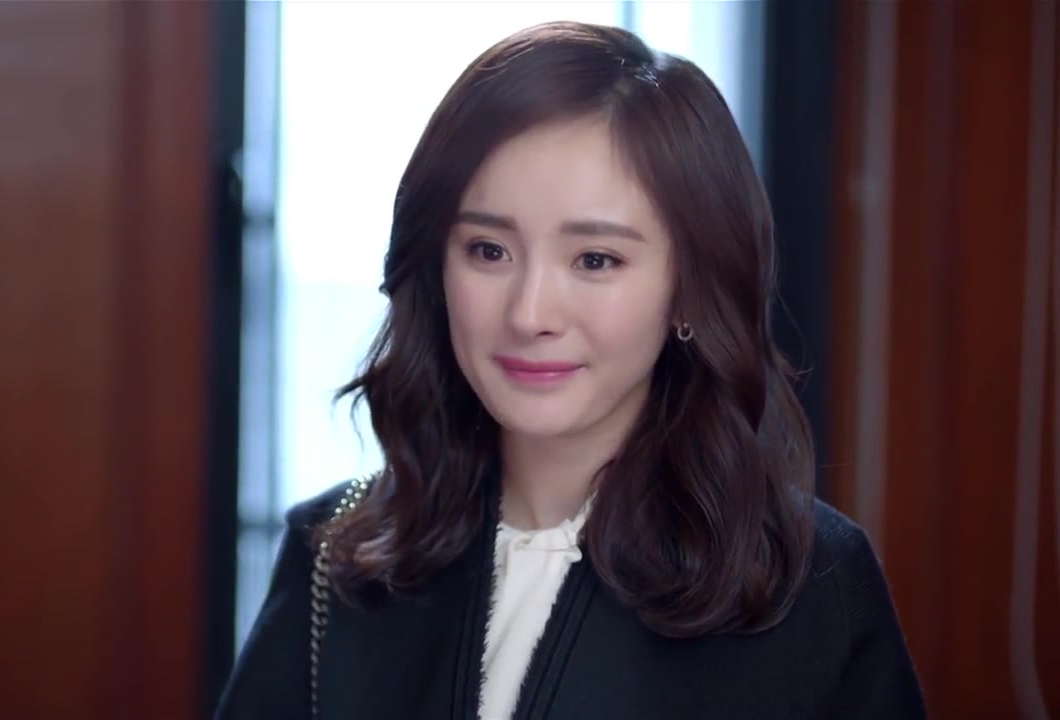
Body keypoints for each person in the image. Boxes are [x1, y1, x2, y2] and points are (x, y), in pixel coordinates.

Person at [215, 20, 926, 720]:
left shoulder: (808, 585)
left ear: (689, 288)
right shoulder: (336, 556)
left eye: (595, 260)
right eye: (488, 250)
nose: (530, 314)